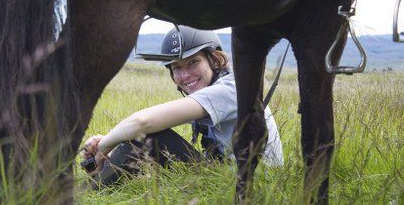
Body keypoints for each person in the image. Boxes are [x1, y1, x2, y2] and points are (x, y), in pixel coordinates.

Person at [82, 26, 282, 187]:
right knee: (141, 143)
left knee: (147, 137)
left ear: (214, 60)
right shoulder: (218, 87)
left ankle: (81, 196)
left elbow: (143, 122)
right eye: (176, 67)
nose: (185, 75)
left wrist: (104, 145)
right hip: (231, 176)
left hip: (256, 182)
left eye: (193, 62)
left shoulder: (232, 87)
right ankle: (96, 184)